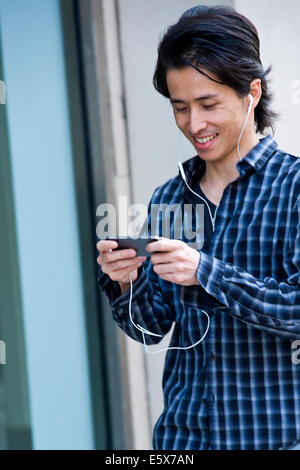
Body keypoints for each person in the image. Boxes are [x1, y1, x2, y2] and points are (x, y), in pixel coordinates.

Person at [96, 5, 300, 450]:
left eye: (209, 104)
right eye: (181, 107)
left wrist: (205, 271)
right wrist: (126, 280)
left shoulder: (294, 187)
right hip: (182, 442)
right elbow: (149, 327)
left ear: (252, 93)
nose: (194, 124)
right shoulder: (170, 198)